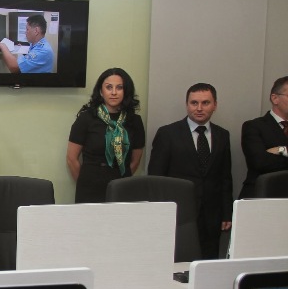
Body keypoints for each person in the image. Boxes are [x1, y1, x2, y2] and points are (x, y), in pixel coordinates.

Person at [148, 83, 232, 259]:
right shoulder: (168, 133)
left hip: (212, 215)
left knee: (208, 262)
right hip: (178, 214)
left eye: (205, 103)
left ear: (215, 105)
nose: (199, 108)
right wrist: (158, 214)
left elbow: (225, 177)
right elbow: (156, 178)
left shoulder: (222, 135)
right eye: (194, 103)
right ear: (187, 104)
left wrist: (227, 212)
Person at [66, 68, 145, 203]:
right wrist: (85, 183)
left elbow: (135, 161)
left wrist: (122, 179)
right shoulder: (87, 118)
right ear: (101, 91)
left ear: (126, 91)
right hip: (90, 186)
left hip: (122, 185)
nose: (114, 92)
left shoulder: (134, 121)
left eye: (119, 87)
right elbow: (71, 159)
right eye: (109, 87)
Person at [239, 76, 288, 198]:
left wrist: (281, 150)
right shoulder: (254, 126)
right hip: (262, 194)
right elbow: (260, 162)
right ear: (275, 98)